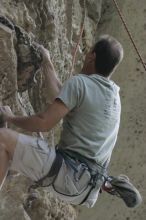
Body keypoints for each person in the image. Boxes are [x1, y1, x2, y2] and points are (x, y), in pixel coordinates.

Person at [0, 35, 142, 208]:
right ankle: (12, 164)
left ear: (92, 57)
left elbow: (44, 123)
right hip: (87, 190)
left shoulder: (81, 83)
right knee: (15, 154)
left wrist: (10, 117)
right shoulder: (113, 97)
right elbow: (61, 96)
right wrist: (46, 61)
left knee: (3, 139)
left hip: (67, 173)